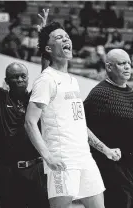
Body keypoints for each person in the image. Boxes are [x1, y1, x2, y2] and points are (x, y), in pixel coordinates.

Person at [25, 18, 121, 208]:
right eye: (59, 37)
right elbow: (29, 122)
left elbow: (79, 123)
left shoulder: (72, 81)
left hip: (84, 157)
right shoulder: (46, 80)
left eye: (67, 36)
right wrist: (48, 157)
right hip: (62, 158)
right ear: (49, 49)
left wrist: (105, 149)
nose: (66, 39)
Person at [0, 8, 49, 208]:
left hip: (35, 169)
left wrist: (43, 37)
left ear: (28, 78)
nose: (19, 79)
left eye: (23, 76)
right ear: (6, 80)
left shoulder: (35, 98)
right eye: (14, 77)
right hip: (8, 172)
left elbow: (46, 70)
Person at [84, 48, 133, 208]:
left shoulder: (131, 92)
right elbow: (80, 126)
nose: (127, 67)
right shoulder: (99, 94)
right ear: (109, 67)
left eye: (129, 63)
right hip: (111, 166)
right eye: (121, 63)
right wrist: (105, 149)